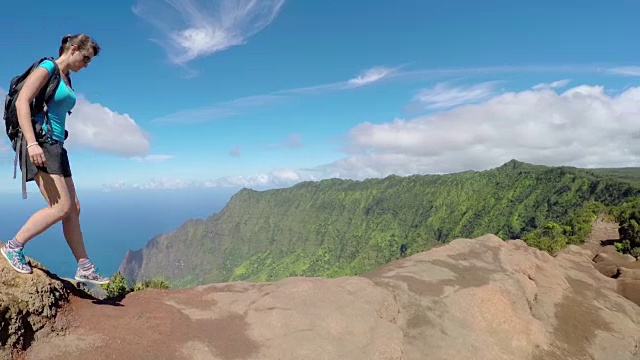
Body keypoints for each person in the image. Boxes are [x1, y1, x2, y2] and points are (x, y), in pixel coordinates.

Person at [1, 34, 110, 285]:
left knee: (74, 207)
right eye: (85, 58)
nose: (86, 64)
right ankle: (13, 246)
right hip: (41, 143)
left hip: (57, 146)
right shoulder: (48, 67)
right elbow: (22, 102)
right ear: (73, 49)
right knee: (60, 207)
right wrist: (31, 143)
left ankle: (84, 267)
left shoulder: (66, 77)